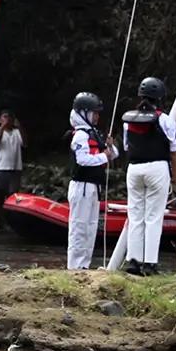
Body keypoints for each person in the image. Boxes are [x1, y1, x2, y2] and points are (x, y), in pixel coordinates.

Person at [121, 77, 176, 276]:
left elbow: (126, 146)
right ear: (160, 98)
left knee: (135, 215)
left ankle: (133, 261)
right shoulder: (165, 120)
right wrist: (175, 178)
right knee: (153, 217)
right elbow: (173, 150)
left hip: (134, 168)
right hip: (157, 168)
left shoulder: (129, 119)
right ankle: (150, 263)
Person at [66, 92, 118, 270]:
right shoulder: (80, 135)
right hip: (82, 186)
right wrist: (104, 156)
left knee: (90, 227)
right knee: (79, 227)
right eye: (94, 113)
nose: (97, 117)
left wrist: (110, 146)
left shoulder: (94, 133)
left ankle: (84, 265)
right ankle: (75, 266)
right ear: (84, 113)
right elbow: (83, 159)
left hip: (94, 187)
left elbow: (113, 154)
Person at [0, 109, 25, 231]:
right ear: (0, 120)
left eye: (10, 117)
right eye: (5, 117)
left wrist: (20, 127)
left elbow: (25, 143)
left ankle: (10, 222)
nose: (7, 119)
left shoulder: (17, 132)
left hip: (14, 169)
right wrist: (3, 128)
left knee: (12, 197)